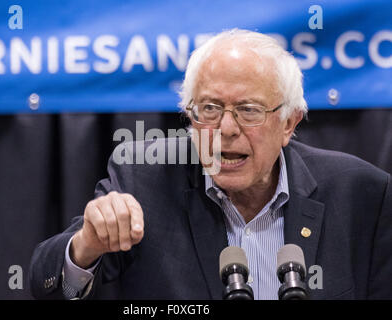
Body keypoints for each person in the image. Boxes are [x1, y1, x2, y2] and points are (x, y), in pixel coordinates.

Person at [29, 29, 392, 300]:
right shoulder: (143, 177)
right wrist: (86, 245)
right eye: (209, 109)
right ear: (189, 116)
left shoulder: (362, 193)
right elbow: (45, 283)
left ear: (289, 123)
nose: (226, 130)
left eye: (249, 110)